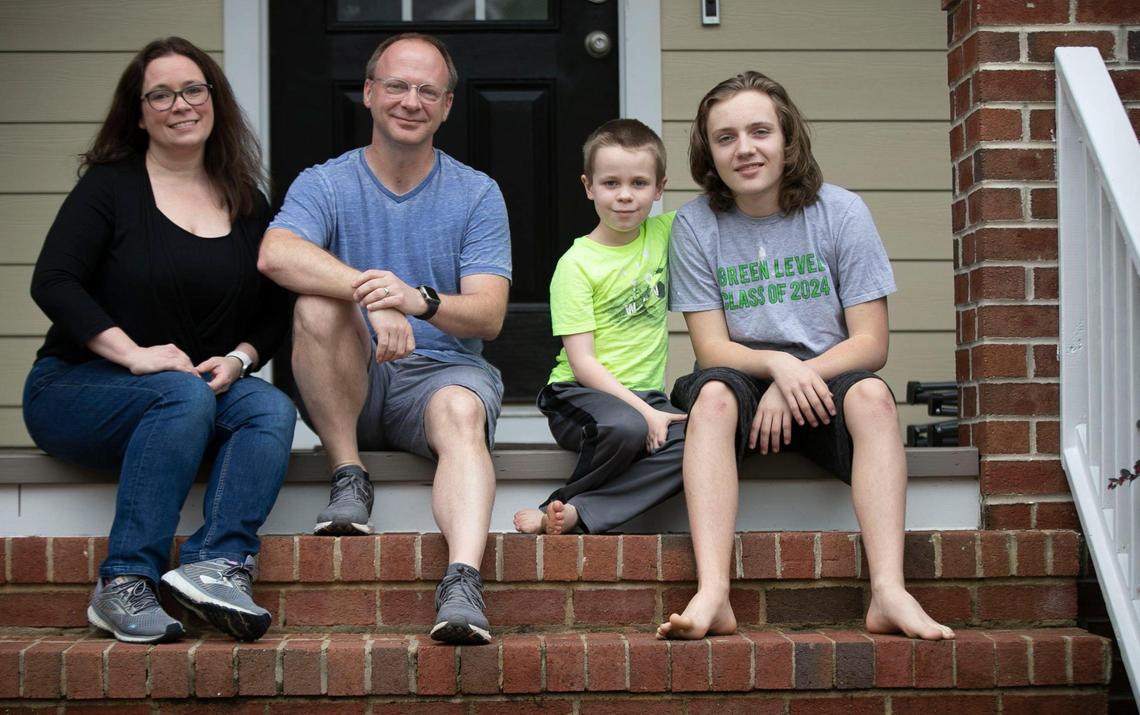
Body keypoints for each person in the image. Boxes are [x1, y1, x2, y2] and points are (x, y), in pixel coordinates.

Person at [658, 71, 955, 642]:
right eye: (725, 138)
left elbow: (871, 344)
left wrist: (798, 376)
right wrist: (776, 366)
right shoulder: (695, 225)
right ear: (709, 153)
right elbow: (711, 348)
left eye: (759, 131)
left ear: (788, 138)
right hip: (743, 380)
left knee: (871, 394)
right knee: (713, 397)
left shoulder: (841, 213)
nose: (744, 149)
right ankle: (713, 593)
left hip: (827, 387)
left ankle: (889, 592)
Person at [23, 37, 295, 644]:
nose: (181, 104)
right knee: (181, 395)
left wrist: (239, 358)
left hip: (190, 395)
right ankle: (123, 582)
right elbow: (54, 281)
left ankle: (215, 566)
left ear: (214, 100)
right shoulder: (110, 188)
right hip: (74, 389)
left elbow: (276, 310)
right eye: (161, 94)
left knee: (270, 407)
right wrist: (134, 355)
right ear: (139, 111)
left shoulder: (247, 202)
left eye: (193, 89)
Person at [258, 33, 510, 646]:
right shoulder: (327, 183)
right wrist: (373, 296)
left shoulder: (477, 192)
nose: (411, 101)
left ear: (447, 106)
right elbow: (275, 253)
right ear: (370, 94)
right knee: (318, 304)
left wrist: (417, 300)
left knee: (461, 409)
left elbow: (488, 316)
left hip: (439, 380)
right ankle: (349, 473)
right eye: (397, 85)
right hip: (354, 381)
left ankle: (462, 582)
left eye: (428, 90)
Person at [513, 119, 684, 536]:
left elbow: (726, 202)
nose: (625, 196)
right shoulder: (576, 266)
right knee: (626, 427)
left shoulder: (667, 233)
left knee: (703, 442)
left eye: (639, 183)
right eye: (611, 183)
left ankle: (582, 511)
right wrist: (647, 414)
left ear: (660, 188)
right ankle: (559, 501)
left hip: (644, 398)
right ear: (589, 187)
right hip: (578, 394)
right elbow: (583, 362)